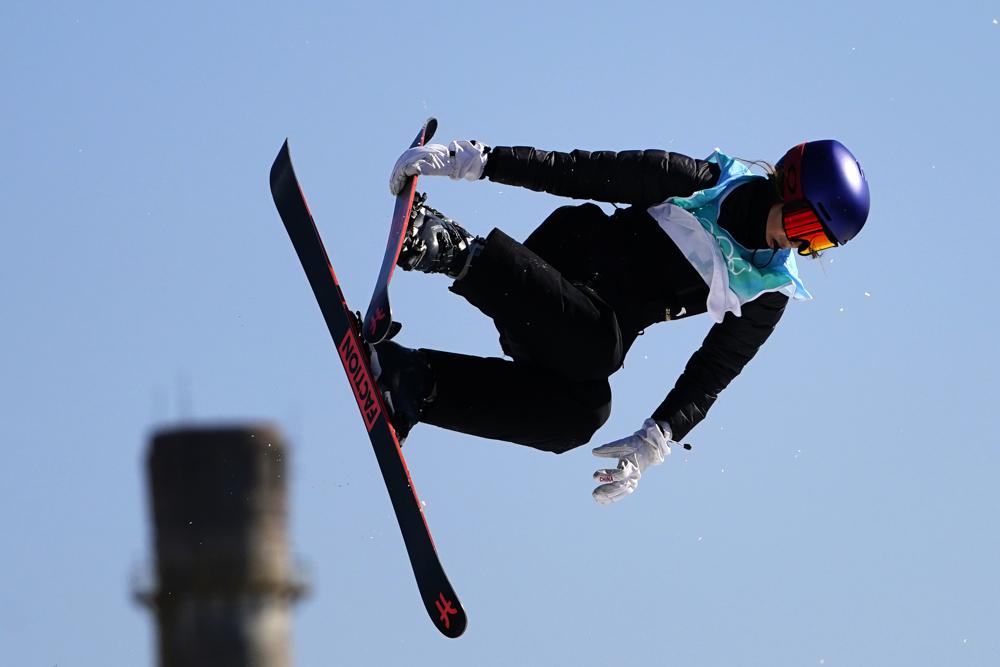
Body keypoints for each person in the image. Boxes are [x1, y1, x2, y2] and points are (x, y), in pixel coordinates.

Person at [373, 135, 870, 504]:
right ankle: (447, 246)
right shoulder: (700, 183)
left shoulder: (767, 287)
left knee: (582, 415)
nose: (799, 245)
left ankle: (417, 382)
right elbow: (577, 171)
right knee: (600, 348)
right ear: (786, 184)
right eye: (805, 225)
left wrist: (655, 440)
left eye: (818, 243)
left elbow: (715, 371)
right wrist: (478, 162)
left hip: (576, 334)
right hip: (558, 266)